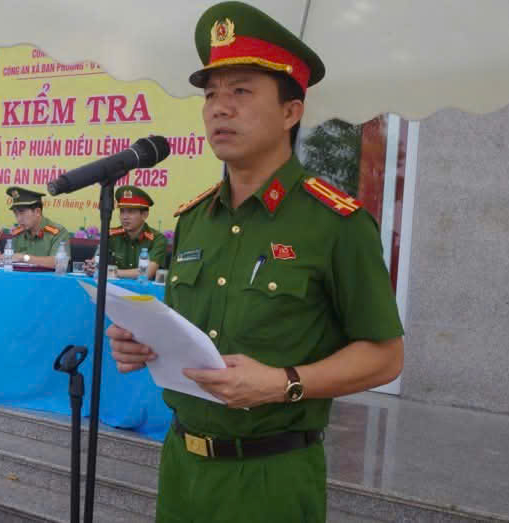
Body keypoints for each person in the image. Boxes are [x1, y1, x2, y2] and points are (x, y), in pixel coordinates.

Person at [106, 3, 404, 522]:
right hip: (181, 468)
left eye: (241, 92)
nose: (219, 109)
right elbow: (185, 334)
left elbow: (385, 357)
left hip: (274, 478)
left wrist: (282, 382)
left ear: (291, 112)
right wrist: (142, 345)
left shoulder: (336, 224)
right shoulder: (195, 220)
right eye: (210, 95)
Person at [84, 185, 167, 279]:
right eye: (122, 211)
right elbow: (96, 262)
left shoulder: (157, 239)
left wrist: (110, 272)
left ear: (144, 215)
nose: (125, 217)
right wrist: (91, 267)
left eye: (130, 212)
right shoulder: (111, 235)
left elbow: (148, 272)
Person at [0, 187, 69, 267]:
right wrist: (1, 258)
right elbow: (13, 260)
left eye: (22, 212)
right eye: (16, 214)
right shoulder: (18, 233)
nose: (18, 219)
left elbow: (59, 262)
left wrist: (24, 258)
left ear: (37, 212)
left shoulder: (58, 232)